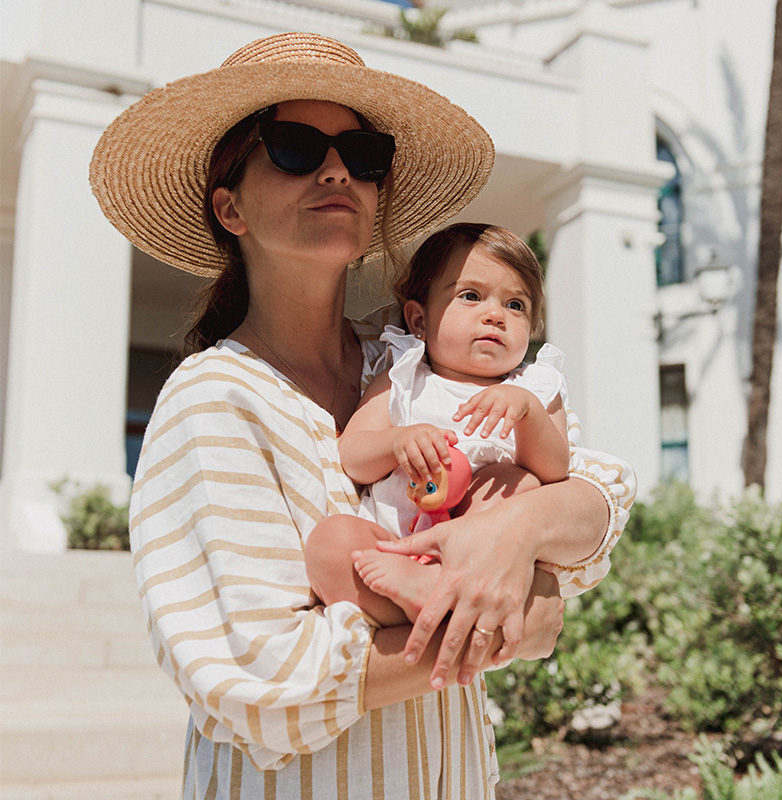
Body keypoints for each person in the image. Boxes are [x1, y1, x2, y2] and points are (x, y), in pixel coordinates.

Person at [90, 32, 636, 799]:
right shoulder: (213, 398)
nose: (336, 168)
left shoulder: (415, 360)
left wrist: (516, 531)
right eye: (293, 147)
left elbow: (597, 485)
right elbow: (252, 679)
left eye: (362, 152)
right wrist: (503, 622)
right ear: (229, 206)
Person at [307, 223, 584, 629]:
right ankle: (422, 603)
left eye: (516, 305)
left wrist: (527, 414)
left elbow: (555, 470)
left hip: (484, 561)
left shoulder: (534, 388)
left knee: (516, 482)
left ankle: (441, 591)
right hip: (396, 546)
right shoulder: (403, 376)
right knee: (329, 545)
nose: (495, 315)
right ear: (419, 319)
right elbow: (351, 457)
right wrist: (397, 441)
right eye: (470, 296)